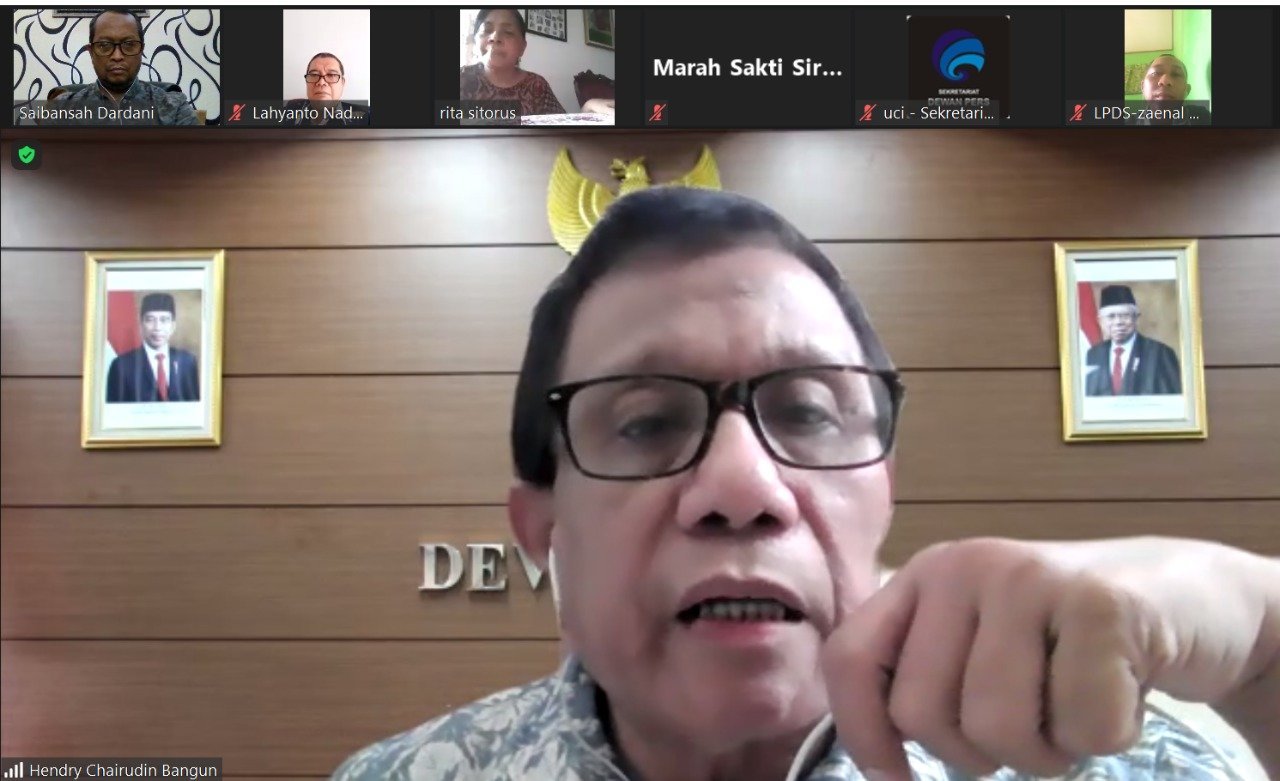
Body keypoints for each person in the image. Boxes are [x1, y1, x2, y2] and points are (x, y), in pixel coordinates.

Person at [332, 189, 1279, 781]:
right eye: (647, 421)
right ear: (543, 530)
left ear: (884, 492)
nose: (743, 487)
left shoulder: (1139, 766)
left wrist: (1267, 636)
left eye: (808, 411)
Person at [45, 8, 198, 126]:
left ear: (141, 50)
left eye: (129, 44)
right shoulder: (61, 108)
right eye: (104, 45)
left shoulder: (175, 106)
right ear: (91, 52)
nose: (117, 56)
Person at [459, 9, 567, 116]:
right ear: (475, 39)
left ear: (522, 47)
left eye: (508, 32)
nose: (495, 37)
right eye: (486, 30)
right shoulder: (462, 78)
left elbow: (561, 124)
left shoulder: (537, 85)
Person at [1085, 284, 1182, 396]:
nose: (1118, 322)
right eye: (1111, 316)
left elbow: (1175, 399)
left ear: (1136, 318)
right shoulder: (1093, 354)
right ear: (1100, 321)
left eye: (1125, 316)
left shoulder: (1160, 353)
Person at [105, 293, 200, 403]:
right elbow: (114, 409)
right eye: (150, 320)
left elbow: (195, 405)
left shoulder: (187, 362)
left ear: (173, 326)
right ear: (141, 324)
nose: (157, 328)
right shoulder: (121, 365)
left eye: (164, 320)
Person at [282, 52, 371, 127]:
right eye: (314, 75)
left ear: (342, 83)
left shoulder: (367, 117)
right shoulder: (285, 113)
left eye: (331, 75)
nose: (321, 82)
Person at [1126, 53, 1211, 126]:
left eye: (1176, 74)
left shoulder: (1203, 117)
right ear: (1143, 87)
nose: (1165, 81)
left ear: (1186, 90)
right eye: (1155, 73)